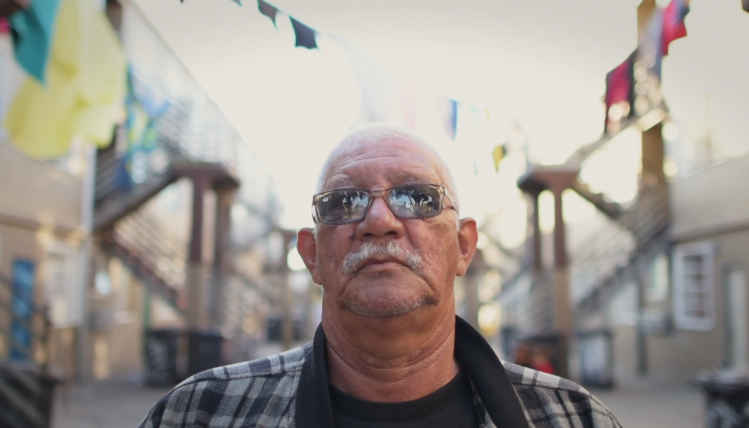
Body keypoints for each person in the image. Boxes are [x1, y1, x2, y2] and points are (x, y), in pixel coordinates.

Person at [139, 123, 621, 428]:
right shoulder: (200, 414)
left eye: (417, 197)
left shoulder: (574, 418)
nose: (379, 220)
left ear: (464, 246)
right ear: (311, 255)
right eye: (344, 202)